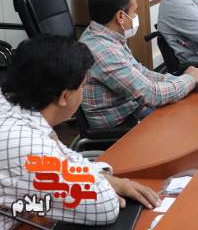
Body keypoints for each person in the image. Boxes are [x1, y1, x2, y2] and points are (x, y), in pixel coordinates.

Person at [0, 36, 162, 228]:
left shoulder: (12, 105)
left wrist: (109, 180)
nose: (84, 92)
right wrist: (106, 184)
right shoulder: (25, 143)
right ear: (65, 96)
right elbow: (105, 207)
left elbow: (66, 159)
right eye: (83, 86)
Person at [79, 0, 198, 130]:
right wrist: (190, 79)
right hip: (122, 126)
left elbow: (141, 73)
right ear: (121, 16)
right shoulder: (103, 50)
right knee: (194, 122)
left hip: (134, 109)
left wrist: (185, 81)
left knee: (194, 108)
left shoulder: (106, 35)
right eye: (134, 12)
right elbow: (152, 95)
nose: (136, 16)